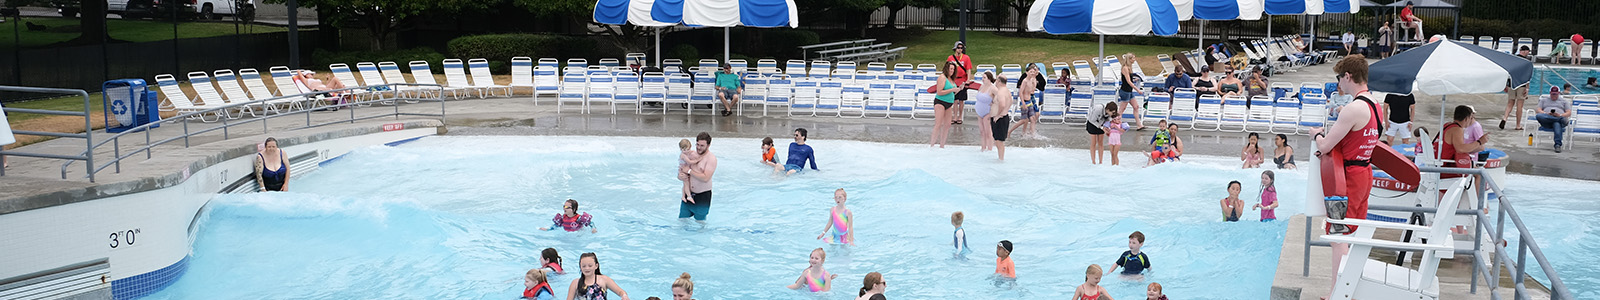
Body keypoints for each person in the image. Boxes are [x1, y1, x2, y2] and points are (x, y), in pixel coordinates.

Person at [1314, 55, 1381, 299]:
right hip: (1365, 173)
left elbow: (1326, 146)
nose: (1339, 84)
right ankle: (1347, 289)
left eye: (1339, 78)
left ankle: (1339, 293)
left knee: (1338, 234)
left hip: (1347, 178)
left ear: (1348, 76)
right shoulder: (1375, 105)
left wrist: (1316, 135)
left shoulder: (1353, 108)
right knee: (1352, 234)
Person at [680, 133, 717, 223]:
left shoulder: (711, 159)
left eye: (702, 146)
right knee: (682, 221)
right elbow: (682, 168)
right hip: (688, 195)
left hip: (702, 196)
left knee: (700, 224)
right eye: (697, 144)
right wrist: (681, 176)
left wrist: (689, 171)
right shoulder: (692, 154)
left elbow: (705, 178)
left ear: (708, 145)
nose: (699, 148)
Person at [566, 253, 631, 300]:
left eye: (590, 266)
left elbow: (620, 291)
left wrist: (624, 296)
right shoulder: (575, 283)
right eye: (584, 266)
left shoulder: (604, 280)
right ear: (580, 267)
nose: (587, 268)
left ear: (596, 266)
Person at [929, 62, 963, 148]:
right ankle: (932, 145)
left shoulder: (951, 79)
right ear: (946, 68)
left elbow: (951, 93)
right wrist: (952, 89)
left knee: (947, 125)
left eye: (953, 69)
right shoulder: (942, 77)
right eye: (950, 69)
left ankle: (942, 145)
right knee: (938, 124)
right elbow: (939, 92)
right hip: (940, 102)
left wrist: (958, 90)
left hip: (949, 103)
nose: (952, 71)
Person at [1009, 64, 1045, 138]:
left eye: (1033, 72)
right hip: (1025, 101)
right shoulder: (1025, 81)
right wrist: (1023, 103)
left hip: (1029, 101)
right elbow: (1020, 92)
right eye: (1030, 72)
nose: (1032, 73)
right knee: (1024, 120)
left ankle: (1032, 134)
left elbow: (1033, 89)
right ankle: (1009, 131)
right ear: (1027, 72)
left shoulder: (1031, 80)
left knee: (1032, 118)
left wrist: (1034, 77)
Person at [1535, 86, 1573, 152]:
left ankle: (1557, 145)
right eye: (1552, 94)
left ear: (1558, 93)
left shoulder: (1564, 101)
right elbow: (1538, 110)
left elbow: (1568, 113)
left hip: (1558, 118)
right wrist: (1546, 113)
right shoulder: (1543, 100)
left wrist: (1559, 115)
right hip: (1546, 120)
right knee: (1539, 116)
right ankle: (1559, 119)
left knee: (1556, 124)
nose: (1554, 96)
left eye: (1555, 94)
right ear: (1550, 93)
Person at [986, 72, 1014, 161]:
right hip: (1003, 117)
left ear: (998, 81)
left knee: (999, 141)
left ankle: (1001, 159)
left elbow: (1002, 104)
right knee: (999, 141)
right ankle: (1000, 158)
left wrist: (998, 115)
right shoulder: (1007, 91)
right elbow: (1009, 103)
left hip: (1000, 119)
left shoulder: (1001, 92)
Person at [947, 42, 975, 124]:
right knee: (954, 100)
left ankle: (960, 116)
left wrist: (968, 80)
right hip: (954, 80)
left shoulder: (966, 58)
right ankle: (954, 116)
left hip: (962, 80)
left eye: (961, 48)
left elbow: (968, 69)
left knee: (961, 100)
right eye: (958, 47)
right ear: (955, 48)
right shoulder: (950, 58)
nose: (960, 49)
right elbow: (947, 69)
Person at [1119, 53, 1146, 129]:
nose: (1134, 59)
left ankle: (1139, 125)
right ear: (1129, 59)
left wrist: (1134, 79)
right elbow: (1128, 81)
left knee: (1136, 107)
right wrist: (1137, 90)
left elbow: (1129, 79)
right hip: (1125, 91)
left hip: (1129, 91)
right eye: (1133, 58)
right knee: (1121, 109)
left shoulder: (1129, 67)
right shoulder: (1125, 68)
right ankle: (1115, 124)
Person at [974, 72, 997, 152]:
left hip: (987, 112)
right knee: (982, 131)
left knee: (988, 132)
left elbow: (1000, 98)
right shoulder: (981, 87)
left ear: (989, 79)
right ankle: (983, 148)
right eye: (982, 77)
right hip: (979, 111)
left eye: (984, 78)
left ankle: (990, 149)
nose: (982, 79)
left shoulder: (993, 88)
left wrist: (994, 103)